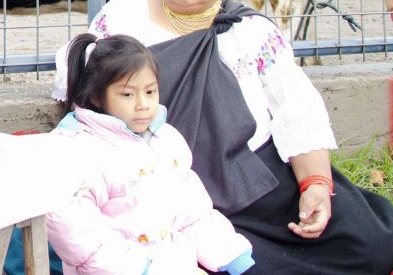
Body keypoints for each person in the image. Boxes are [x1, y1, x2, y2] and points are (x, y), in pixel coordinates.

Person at [58, 0, 393, 275]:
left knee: (371, 240)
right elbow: (85, 86)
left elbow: (296, 107)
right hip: (161, 182)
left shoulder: (252, 30)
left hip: (256, 176)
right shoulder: (124, 14)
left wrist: (314, 184)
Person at [48, 32, 254, 275]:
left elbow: (193, 212)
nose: (143, 104)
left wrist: (230, 254)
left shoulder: (166, 139)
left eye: (150, 92)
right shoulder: (76, 151)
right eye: (127, 94)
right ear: (97, 96)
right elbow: (82, 239)